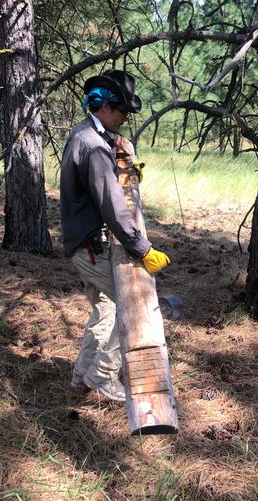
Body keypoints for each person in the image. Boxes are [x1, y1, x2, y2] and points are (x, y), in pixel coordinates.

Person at [60, 69, 170, 401]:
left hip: (84, 243)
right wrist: (143, 248)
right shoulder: (93, 146)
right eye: (122, 111)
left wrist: (125, 167)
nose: (125, 119)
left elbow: (106, 183)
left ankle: (81, 377)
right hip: (90, 247)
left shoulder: (90, 136)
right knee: (134, 307)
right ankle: (104, 376)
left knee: (106, 310)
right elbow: (112, 207)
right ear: (104, 108)